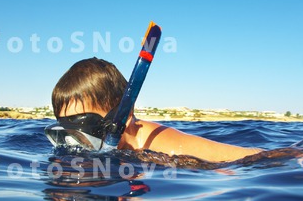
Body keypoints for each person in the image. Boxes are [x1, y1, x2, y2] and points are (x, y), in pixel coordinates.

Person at [51, 57, 262, 162]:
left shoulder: (165, 145)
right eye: (66, 131)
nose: (74, 141)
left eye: (85, 127)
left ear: (123, 117)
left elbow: (245, 160)